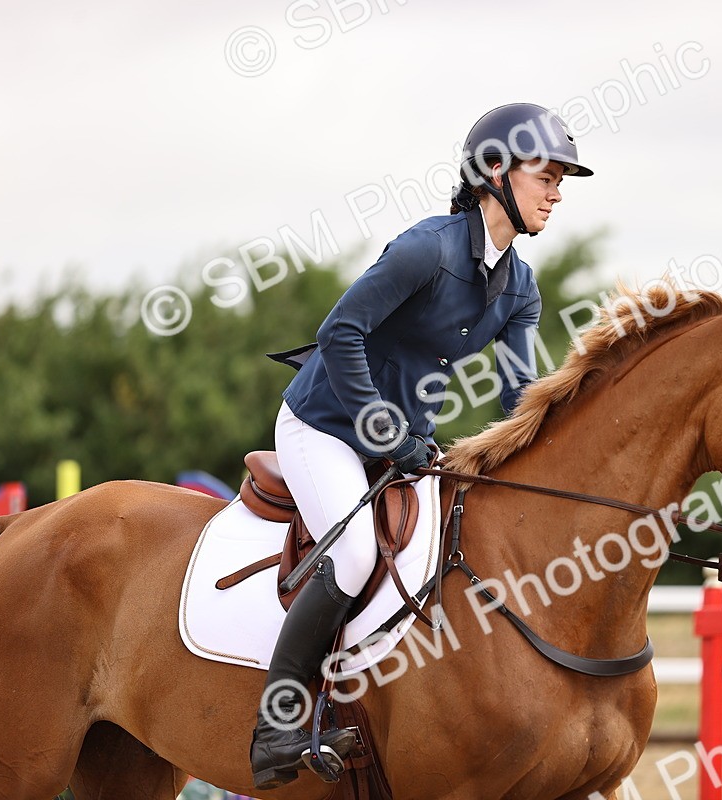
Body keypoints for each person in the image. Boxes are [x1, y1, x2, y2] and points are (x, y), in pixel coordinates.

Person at [249, 102, 594, 789]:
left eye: (563, 179)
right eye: (547, 174)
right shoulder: (427, 249)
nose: (558, 191)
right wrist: (384, 429)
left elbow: (517, 394)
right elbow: (339, 332)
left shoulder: (518, 285)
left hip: (407, 445)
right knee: (351, 552)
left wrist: (580, 428)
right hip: (325, 426)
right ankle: (276, 726)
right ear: (494, 171)